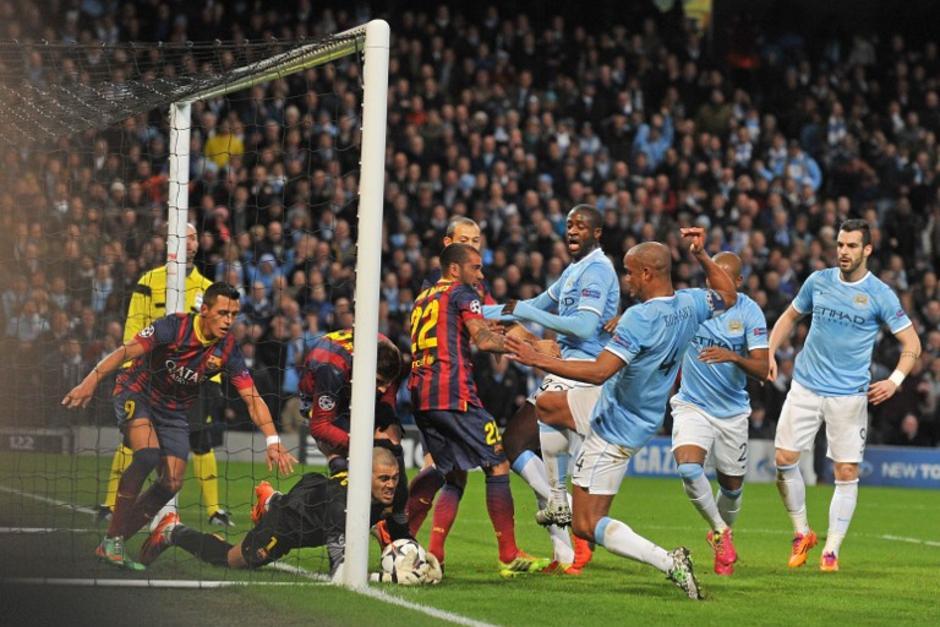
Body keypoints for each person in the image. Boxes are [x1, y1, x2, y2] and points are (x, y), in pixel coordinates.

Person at [507, 227, 738, 600]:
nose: (626, 280)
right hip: (623, 403)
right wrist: (701, 254)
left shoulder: (638, 319)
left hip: (615, 423)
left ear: (646, 273)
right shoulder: (690, 303)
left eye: (630, 273)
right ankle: (557, 498)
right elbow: (728, 294)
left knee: (586, 524)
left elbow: (599, 371)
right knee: (548, 405)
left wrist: (537, 358)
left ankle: (670, 562)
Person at [62, 282, 296, 570]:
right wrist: (89, 382)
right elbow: (125, 352)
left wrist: (272, 440)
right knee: (147, 455)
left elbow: (252, 397)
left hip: (173, 410)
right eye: (223, 313)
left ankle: (114, 541)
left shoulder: (227, 349)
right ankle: (112, 541)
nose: (228, 321)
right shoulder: (173, 327)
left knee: (172, 481)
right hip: (137, 391)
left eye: (234, 315)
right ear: (205, 309)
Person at [767, 219, 921, 572]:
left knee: (846, 470)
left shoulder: (880, 294)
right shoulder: (818, 281)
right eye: (840, 245)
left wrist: (895, 380)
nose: (843, 252)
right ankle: (802, 532)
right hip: (806, 385)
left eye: (851, 246)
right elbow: (789, 317)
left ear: (867, 249)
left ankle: (831, 550)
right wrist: (770, 352)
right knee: (784, 459)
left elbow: (912, 343)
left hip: (848, 395)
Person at [492, 204, 619, 574]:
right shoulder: (574, 270)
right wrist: (477, 313)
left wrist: (527, 315)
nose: (573, 230)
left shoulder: (598, 270)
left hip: (580, 372)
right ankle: (566, 555)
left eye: (581, 225)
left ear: (597, 232)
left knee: (516, 442)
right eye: (569, 225)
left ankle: (575, 526)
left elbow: (582, 327)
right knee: (541, 461)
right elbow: (531, 305)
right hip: (562, 370)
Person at [409, 243, 548, 577]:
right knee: (497, 463)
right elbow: (484, 341)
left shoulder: (423, 297)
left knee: (451, 472)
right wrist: (531, 348)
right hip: (454, 394)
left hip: (422, 394)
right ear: (455, 269)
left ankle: (411, 544)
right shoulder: (462, 292)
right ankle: (508, 554)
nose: (480, 274)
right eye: (475, 267)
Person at [99, 223, 234, 528]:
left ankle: (214, 510)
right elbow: (134, 326)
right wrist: (127, 368)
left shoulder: (208, 289)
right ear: (169, 242)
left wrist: (213, 381)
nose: (189, 242)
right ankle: (109, 504)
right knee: (133, 441)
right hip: (150, 377)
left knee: (200, 439)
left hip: (193, 380)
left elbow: (216, 339)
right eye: (183, 237)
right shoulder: (149, 281)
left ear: (198, 245)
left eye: (193, 237)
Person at [140, 447, 439, 584]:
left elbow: (400, 534)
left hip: (312, 497)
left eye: (394, 478)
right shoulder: (342, 506)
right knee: (233, 560)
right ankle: (173, 530)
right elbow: (339, 574)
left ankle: (271, 499)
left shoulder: (397, 493)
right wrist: (390, 577)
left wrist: (420, 560)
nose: (391, 485)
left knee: (316, 505)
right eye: (383, 479)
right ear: (365, 476)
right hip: (289, 525)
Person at [668, 251, 769, 575]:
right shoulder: (692, 303)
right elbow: (656, 312)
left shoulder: (750, 312)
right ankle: (720, 532)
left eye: (724, 277)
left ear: (738, 281)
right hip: (692, 405)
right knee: (688, 468)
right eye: (712, 275)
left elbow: (763, 368)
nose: (716, 282)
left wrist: (734, 357)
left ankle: (722, 535)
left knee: (732, 489)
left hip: (732, 413)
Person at [297, 329, 410, 542]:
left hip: (356, 386)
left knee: (392, 449)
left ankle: (398, 529)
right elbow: (320, 426)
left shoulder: (389, 354)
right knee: (343, 464)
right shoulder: (330, 367)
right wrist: (363, 446)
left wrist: (385, 424)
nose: (383, 388)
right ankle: (340, 536)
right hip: (324, 402)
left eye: (386, 382)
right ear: (363, 368)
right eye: (378, 381)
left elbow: (387, 392)